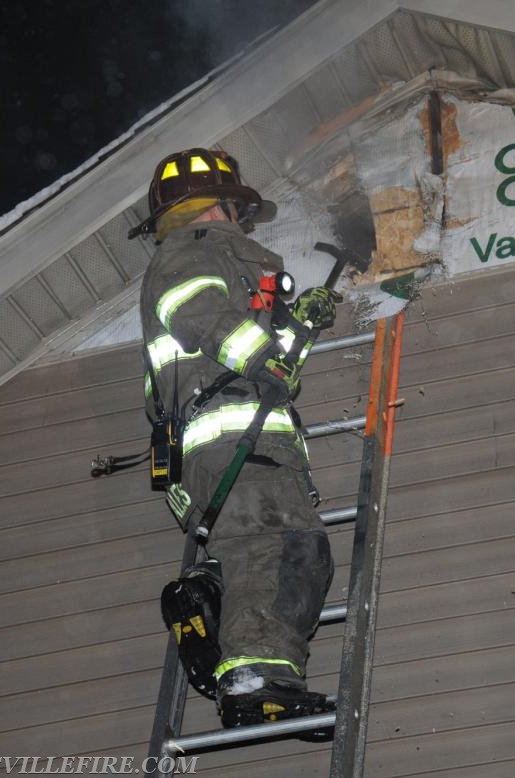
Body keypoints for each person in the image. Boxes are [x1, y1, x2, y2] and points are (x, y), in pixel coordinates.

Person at [130, 147, 340, 728]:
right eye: (238, 209)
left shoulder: (220, 262)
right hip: (233, 438)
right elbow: (195, 312)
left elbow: (270, 367)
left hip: (243, 437)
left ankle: (210, 601)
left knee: (287, 552)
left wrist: (299, 328)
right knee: (280, 546)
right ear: (219, 205)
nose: (244, 222)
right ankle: (254, 676)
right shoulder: (192, 253)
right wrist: (264, 353)